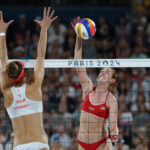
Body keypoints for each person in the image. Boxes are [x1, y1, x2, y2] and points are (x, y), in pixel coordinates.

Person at [0, 7, 57, 150]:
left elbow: (3, 60)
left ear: (9, 77)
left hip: (19, 146)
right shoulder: (33, 87)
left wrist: (2, 33)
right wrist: (44, 29)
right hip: (40, 144)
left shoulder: (7, 92)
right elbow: (41, 55)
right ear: (24, 75)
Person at [71, 17, 119, 150]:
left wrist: (115, 134)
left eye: (106, 72)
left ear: (112, 80)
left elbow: (114, 125)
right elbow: (77, 63)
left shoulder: (111, 100)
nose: (102, 72)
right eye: (101, 71)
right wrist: (78, 38)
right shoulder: (88, 87)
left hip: (101, 144)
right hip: (82, 144)